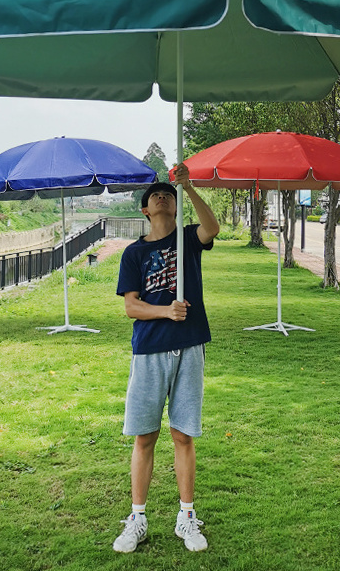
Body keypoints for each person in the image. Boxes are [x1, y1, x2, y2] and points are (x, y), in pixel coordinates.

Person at [112, 163, 220, 554]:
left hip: (189, 345)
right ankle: (137, 518)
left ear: (175, 207)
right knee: (145, 436)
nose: (162, 196)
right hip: (149, 350)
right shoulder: (134, 253)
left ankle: (186, 517)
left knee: (182, 434)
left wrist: (188, 187)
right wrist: (165, 311)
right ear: (145, 209)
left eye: (168, 194)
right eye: (155, 195)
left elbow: (214, 228)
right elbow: (131, 307)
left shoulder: (189, 239)